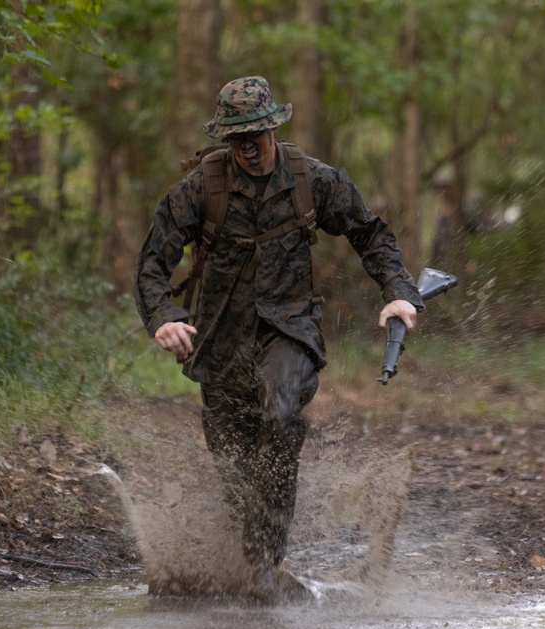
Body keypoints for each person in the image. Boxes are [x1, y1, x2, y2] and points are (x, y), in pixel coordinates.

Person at [134, 76, 424, 602]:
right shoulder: (202, 188)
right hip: (219, 344)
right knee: (237, 467)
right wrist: (162, 317)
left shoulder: (314, 181)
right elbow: (152, 262)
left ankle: (264, 567)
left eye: (256, 136)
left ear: (273, 129)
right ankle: (237, 569)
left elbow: (371, 233)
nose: (248, 148)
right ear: (226, 138)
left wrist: (398, 292)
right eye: (236, 139)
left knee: (281, 410)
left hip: (290, 330)